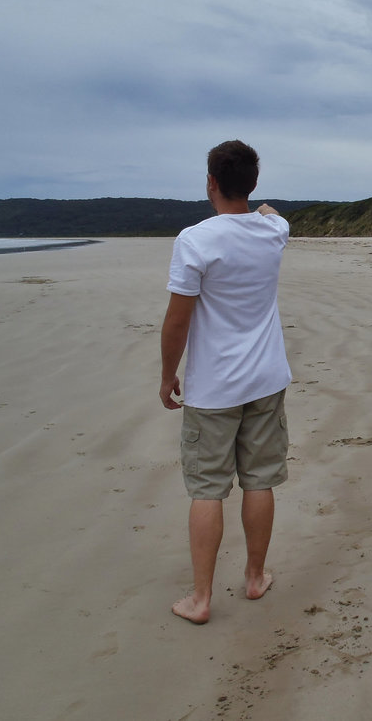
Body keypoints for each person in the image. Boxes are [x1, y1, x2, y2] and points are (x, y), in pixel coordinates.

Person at [159, 140, 292, 623]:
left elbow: (177, 322)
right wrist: (263, 208)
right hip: (266, 377)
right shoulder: (273, 230)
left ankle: (201, 598)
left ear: (210, 182)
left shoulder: (194, 241)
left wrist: (167, 374)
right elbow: (275, 215)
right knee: (259, 480)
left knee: (208, 489)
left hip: (214, 387)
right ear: (252, 184)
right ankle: (255, 577)